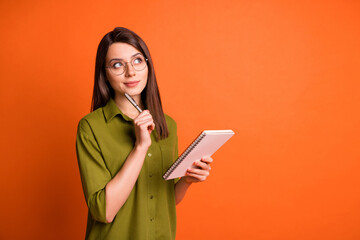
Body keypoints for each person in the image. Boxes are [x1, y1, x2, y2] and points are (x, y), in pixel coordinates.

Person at [76, 27, 212, 240]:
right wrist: (140, 147)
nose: (131, 72)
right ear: (105, 73)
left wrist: (186, 179)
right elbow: (104, 211)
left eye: (137, 60)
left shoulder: (168, 125)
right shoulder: (91, 127)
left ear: (147, 65)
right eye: (118, 65)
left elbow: (163, 199)